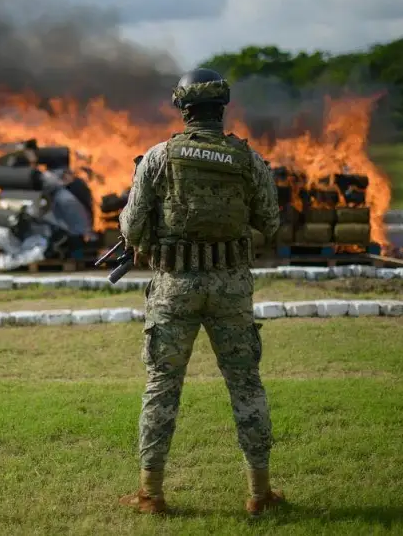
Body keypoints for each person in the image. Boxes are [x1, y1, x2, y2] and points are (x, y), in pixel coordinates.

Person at [117, 67, 283, 517]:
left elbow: (131, 225)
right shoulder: (248, 160)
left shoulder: (158, 157)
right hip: (231, 285)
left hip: (173, 287)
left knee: (161, 387)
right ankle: (259, 493)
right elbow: (270, 221)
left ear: (183, 107)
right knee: (246, 386)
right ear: (221, 107)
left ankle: (151, 494)